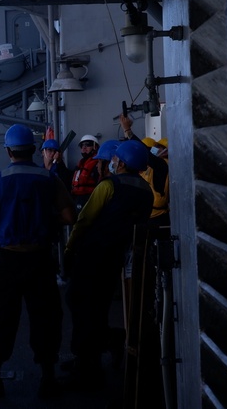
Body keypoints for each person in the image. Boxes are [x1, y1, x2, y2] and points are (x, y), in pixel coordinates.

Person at [0, 125, 76, 400]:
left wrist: (4, 218)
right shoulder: (49, 178)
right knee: (46, 317)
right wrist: (44, 220)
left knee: (2, 318)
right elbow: (68, 217)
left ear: (8, 151)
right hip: (40, 259)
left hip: (8, 259)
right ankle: (47, 379)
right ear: (33, 149)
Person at [62, 139, 153, 391]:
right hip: (116, 258)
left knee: (79, 304)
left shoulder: (108, 185)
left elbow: (84, 220)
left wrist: (70, 249)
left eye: (111, 161)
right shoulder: (146, 191)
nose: (108, 164)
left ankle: (88, 367)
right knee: (97, 307)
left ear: (120, 162)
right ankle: (96, 351)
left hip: (92, 255)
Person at [70, 134, 101, 209]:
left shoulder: (98, 164)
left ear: (95, 147)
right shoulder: (81, 164)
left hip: (90, 198)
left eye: (87, 145)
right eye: (82, 145)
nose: (84, 147)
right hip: (77, 198)